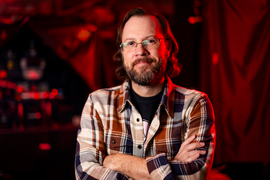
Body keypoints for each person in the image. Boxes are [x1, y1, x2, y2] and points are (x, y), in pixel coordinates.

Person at [75, 7, 215, 180]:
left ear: (168, 47)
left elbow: (195, 175)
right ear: (122, 52)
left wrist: (116, 162)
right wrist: (171, 166)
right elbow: (85, 174)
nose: (140, 51)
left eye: (150, 41)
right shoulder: (97, 103)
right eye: (131, 43)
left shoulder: (195, 104)